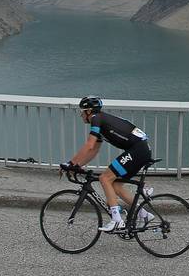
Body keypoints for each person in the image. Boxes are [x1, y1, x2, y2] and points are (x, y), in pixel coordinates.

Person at [62, 96, 154, 232]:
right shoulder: (101, 122)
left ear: (89, 111)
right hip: (141, 150)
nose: (81, 114)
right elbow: (93, 151)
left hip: (138, 150)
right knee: (115, 185)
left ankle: (117, 220)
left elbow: (89, 145)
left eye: (82, 111)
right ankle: (144, 214)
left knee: (105, 178)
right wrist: (77, 165)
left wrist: (70, 163)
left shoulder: (96, 119)